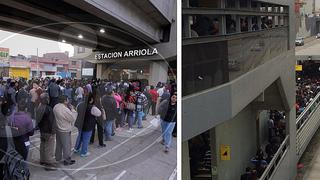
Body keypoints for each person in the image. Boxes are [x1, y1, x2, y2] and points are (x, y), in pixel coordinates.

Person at [53, 95, 77, 165]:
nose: (68, 100)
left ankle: (58, 157)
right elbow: (72, 118)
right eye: (67, 99)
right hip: (65, 129)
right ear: (65, 101)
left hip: (58, 128)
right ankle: (67, 160)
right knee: (67, 145)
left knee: (59, 144)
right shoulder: (65, 109)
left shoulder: (56, 106)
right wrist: (72, 110)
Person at [36, 93, 57, 170]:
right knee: (49, 148)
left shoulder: (39, 107)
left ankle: (42, 160)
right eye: (47, 98)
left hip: (42, 130)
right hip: (48, 131)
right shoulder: (48, 109)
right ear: (45, 99)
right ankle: (48, 164)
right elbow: (51, 122)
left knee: (43, 146)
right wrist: (53, 132)